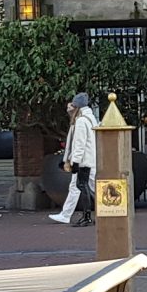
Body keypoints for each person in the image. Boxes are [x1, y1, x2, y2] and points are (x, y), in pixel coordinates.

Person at [50, 92, 95, 226]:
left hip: (84, 161)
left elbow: (79, 145)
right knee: (83, 187)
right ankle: (66, 214)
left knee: (83, 187)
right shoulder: (90, 118)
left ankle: (83, 216)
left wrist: (74, 161)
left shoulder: (81, 121)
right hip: (90, 159)